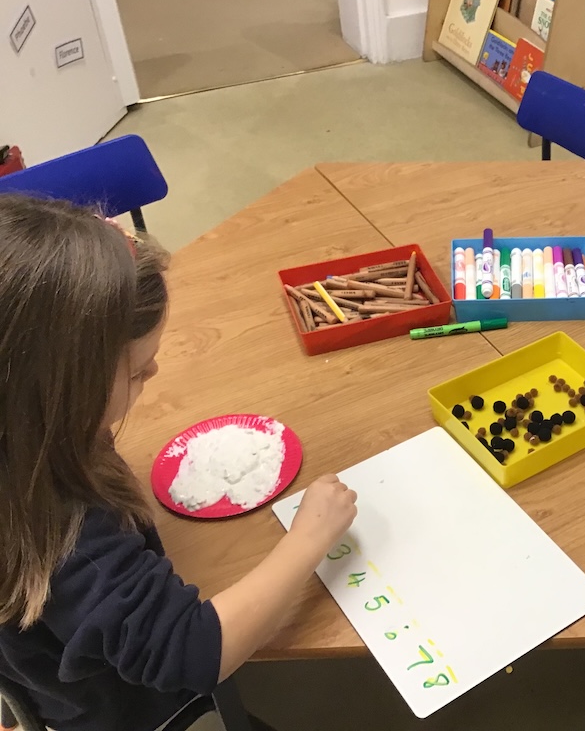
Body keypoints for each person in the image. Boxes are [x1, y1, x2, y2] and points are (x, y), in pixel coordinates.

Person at [0, 195, 359, 731]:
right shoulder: (61, 529)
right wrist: (310, 536)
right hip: (127, 712)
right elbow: (192, 651)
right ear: (57, 393)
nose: (155, 373)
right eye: (138, 370)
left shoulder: (27, 431)